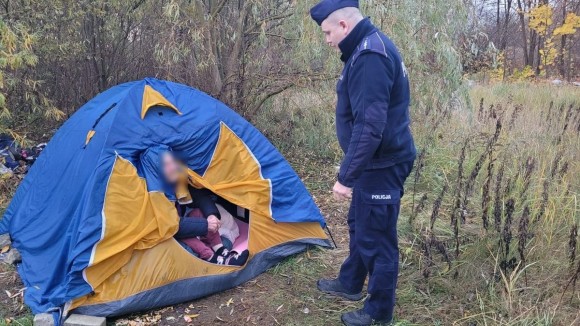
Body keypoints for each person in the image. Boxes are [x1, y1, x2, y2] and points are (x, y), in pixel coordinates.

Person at [310, 1, 416, 325]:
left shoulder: (370, 56)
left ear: (344, 26)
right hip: (374, 163)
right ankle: (350, 281)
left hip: (383, 164)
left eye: (328, 32)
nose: (327, 40)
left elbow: (370, 125)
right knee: (360, 224)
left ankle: (378, 313)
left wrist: (346, 176)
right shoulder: (363, 49)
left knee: (378, 239)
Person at [140, 146, 249, 266]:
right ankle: (212, 258)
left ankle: (222, 251)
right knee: (179, 236)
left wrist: (211, 215)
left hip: (180, 224)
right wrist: (205, 225)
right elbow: (171, 226)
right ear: (156, 169)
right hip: (168, 234)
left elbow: (198, 194)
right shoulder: (154, 195)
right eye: (166, 165)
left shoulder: (178, 181)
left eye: (172, 162)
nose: (173, 167)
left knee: (198, 213)